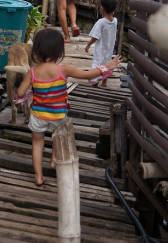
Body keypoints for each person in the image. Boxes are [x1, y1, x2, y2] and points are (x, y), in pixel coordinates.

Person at [15, 29, 122, 185]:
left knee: (37, 144)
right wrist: (107, 66)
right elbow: (88, 74)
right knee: (58, 140)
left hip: (38, 115)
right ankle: (53, 162)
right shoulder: (63, 70)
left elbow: (19, 93)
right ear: (59, 51)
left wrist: (32, 91)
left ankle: (38, 177)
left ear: (37, 51)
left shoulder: (32, 72)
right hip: (58, 115)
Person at [84, 0, 118, 87]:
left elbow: (95, 36)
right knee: (107, 64)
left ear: (102, 8)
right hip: (110, 49)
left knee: (97, 65)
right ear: (115, 9)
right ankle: (104, 82)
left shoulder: (101, 22)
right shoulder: (115, 21)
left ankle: (95, 81)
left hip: (100, 50)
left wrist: (88, 45)